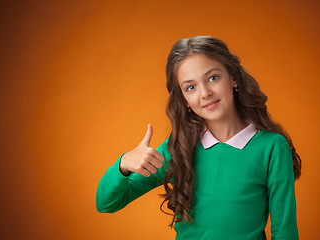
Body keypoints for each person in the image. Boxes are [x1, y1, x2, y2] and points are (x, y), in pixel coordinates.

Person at [96, 35, 302, 239]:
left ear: (233, 78)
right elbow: (106, 203)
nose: (205, 93)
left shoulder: (272, 147)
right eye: (191, 87)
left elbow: (285, 232)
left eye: (213, 78)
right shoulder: (178, 148)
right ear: (184, 100)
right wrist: (123, 165)